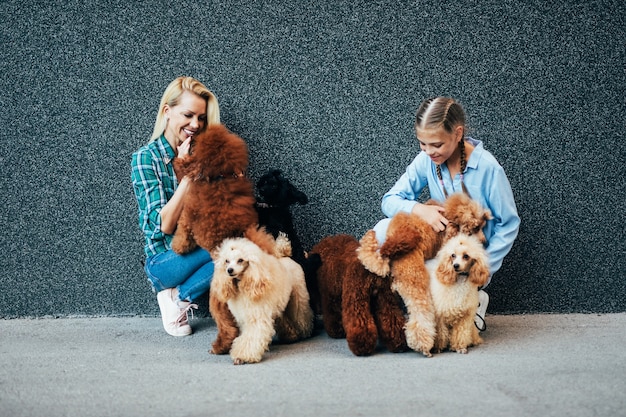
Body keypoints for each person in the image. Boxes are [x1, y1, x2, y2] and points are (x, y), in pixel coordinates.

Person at [373, 97, 520, 330]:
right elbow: (389, 200)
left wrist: (484, 266)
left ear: (458, 133)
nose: (429, 151)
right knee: (382, 231)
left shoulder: (488, 168)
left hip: (467, 257)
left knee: (445, 300)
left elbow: (509, 224)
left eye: (437, 144)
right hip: (441, 247)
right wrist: (420, 210)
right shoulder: (426, 160)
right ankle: (438, 304)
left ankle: (475, 297)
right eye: (422, 143)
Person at [131, 76, 221, 336]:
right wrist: (189, 174)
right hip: (163, 262)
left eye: (201, 118)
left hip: (197, 250)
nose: (195, 124)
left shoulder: (201, 154)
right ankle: (172, 293)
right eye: (188, 115)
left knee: (239, 248)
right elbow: (165, 224)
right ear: (167, 112)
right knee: (225, 243)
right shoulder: (145, 159)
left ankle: (178, 300)